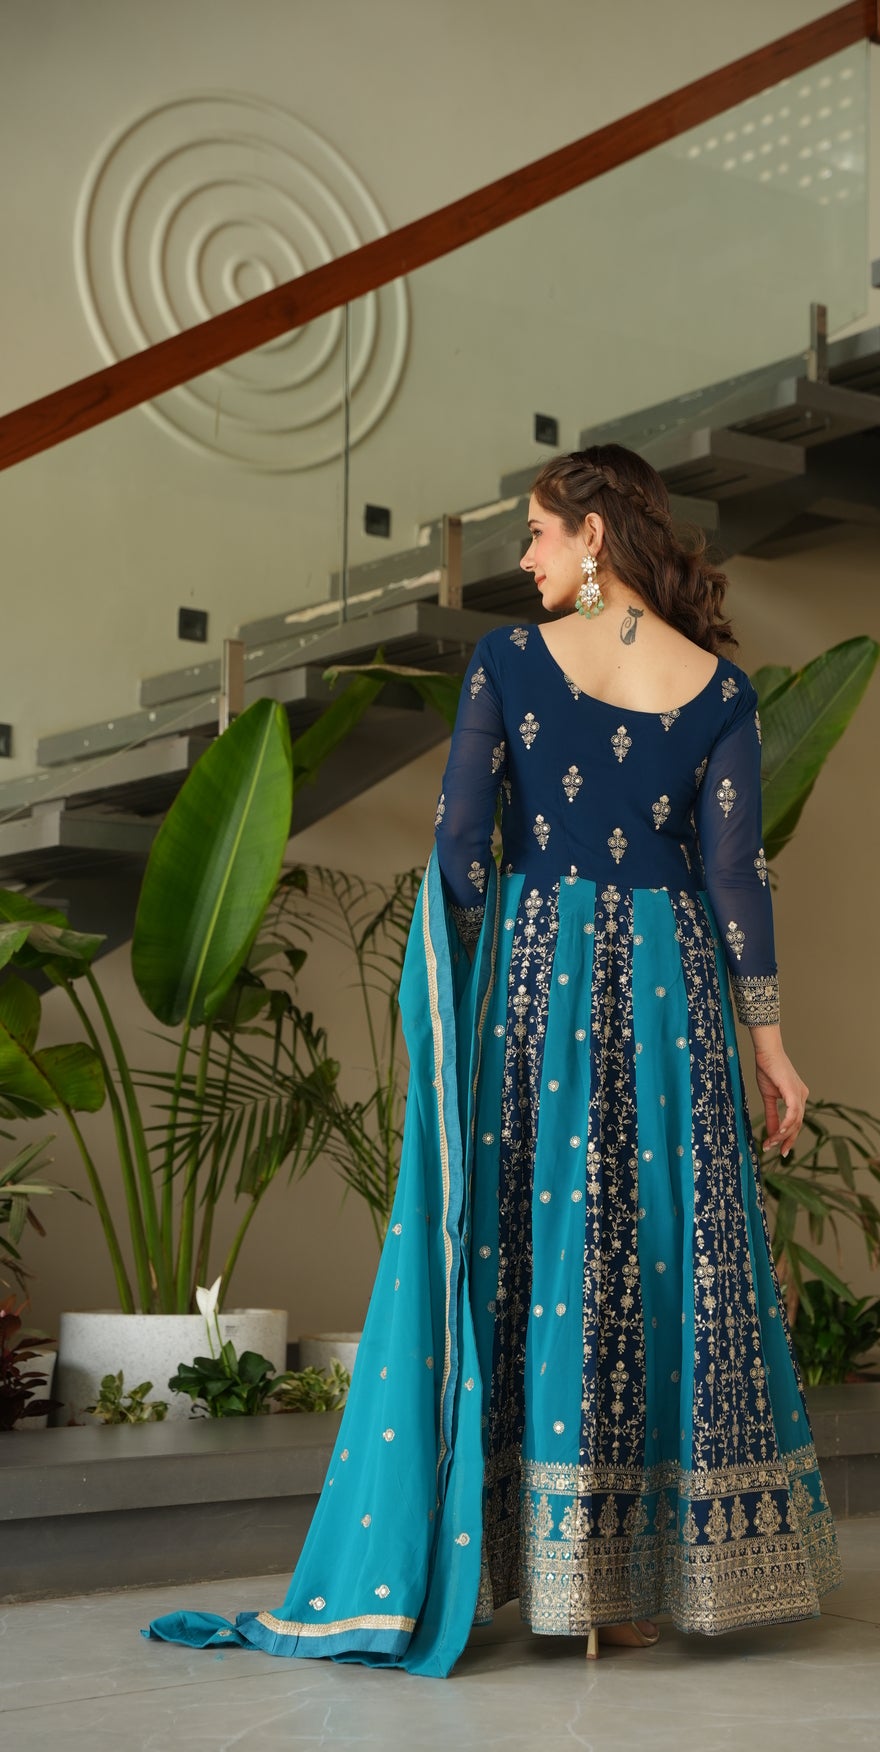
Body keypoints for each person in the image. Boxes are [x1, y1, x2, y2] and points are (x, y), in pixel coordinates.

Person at [143, 442, 842, 1678]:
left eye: (532, 532)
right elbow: (737, 880)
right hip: (674, 992)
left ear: (591, 535)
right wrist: (770, 1047)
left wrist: (450, 1007)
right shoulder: (719, 690)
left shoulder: (510, 666)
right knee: (647, 1250)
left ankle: (548, 1576)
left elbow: (464, 851)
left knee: (535, 1249)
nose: (521, 558)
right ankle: (630, 1592)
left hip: (541, 982)